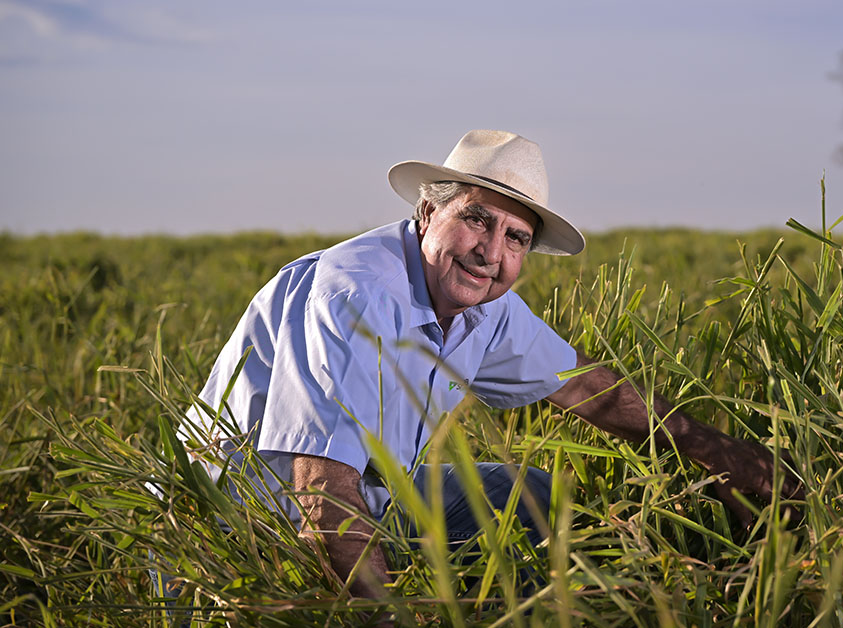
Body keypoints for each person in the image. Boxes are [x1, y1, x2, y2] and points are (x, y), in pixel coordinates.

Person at [183, 129, 803, 598]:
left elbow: (587, 387)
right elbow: (325, 493)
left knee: (532, 495)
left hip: (366, 494)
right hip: (240, 517)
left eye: (516, 238)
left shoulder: (484, 304)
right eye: (476, 219)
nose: (491, 252)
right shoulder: (359, 296)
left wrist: (715, 452)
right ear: (428, 214)